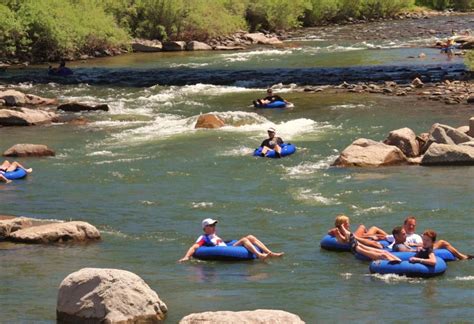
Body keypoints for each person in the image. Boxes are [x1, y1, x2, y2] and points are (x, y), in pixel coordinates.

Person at [178, 218, 284, 262]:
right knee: (244, 240)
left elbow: (224, 243)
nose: (214, 227)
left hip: (228, 247)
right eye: (211, 225)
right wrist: (186, 257)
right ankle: (260, 255)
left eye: (214, 225)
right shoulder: (203, 238)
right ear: (205, 228)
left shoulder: (214, 236)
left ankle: (270, 253)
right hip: (224, 249)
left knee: (250, 237)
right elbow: (195, 247)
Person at [389, 216, 473, 260]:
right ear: (397, 236)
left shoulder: (404, 241)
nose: (405, 235)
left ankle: (461, 256)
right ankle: (462, 257)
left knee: (442, 242)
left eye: (413, 225)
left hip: (420, 249)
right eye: (403, 234)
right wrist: (417, 249)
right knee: (442, 242)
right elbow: (407, 251)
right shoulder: (399, 246)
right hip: (423, 251)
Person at [332, 214, 401, 262]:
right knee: (383, 254)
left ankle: (398, 262)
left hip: (358, 245)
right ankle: (395, 264)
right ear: (343, 224)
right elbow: (344, 241)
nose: (349, 224)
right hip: (357, 247)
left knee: (384, 252)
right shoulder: (339, 233)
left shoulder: (344, 232)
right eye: (347, 223)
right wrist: (341, 230)